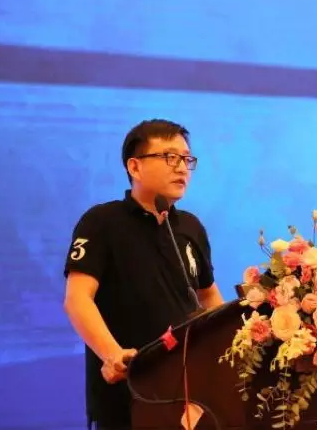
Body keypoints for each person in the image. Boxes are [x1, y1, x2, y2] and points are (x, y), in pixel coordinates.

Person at [63, 119, 225, 430]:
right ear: (134, 167)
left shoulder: (190, 227)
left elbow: (207, 296)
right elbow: (77, 299)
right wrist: (112, 355)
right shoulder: (102, 222)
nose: (182, 168)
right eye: (170, 157)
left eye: (187, 159)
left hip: (188, 394)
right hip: (127, 395)